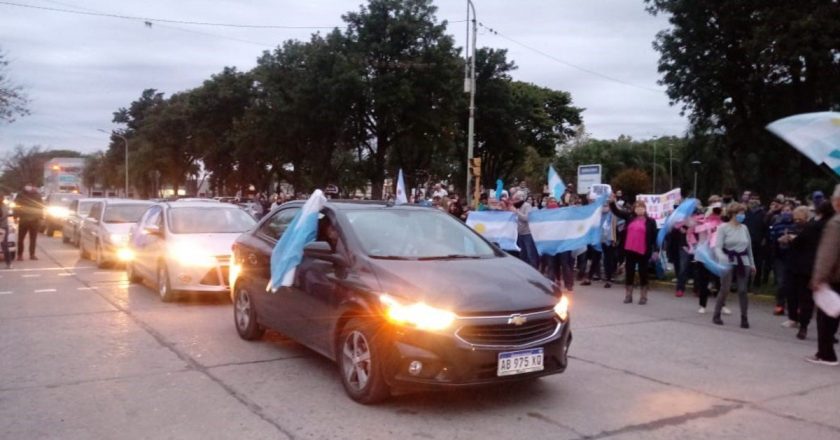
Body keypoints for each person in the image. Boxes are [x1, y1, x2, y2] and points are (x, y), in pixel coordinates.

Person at [786, 202, 834, 340]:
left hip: (806, 267)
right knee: (825, 299)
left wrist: (790, 240)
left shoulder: (812, 227)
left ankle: (803, 327)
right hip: (828, 269)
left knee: (806, 299)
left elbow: (798, 242)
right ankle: (828, 332)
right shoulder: (833, 228)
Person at [806, 184, 840, 366]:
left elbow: (828, 253)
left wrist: (818, 277)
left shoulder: (836, 223)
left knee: (827, 315)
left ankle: (826, 354)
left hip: (835, 276)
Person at [712, 203, 755, 328]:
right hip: (728, 261)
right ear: (733, 214)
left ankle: (744, 318)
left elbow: (749, 248)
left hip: (743, 261)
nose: (743, 215)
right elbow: (718, 247)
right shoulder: (723, 228)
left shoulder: (744, 228)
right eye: (740, 213)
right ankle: (717, 314)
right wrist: (722, 259)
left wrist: (752, 264)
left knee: (743, 290)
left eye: (743, 213)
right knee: (725, 289)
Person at [610, 195, 657, 305]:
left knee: (643, 273)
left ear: (645, 209)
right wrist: (612, 202)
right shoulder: (629, 217)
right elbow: (617, 212)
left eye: (641, 207)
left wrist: (655, 250)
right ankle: (628, 295)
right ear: (634, 209)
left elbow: (654, 237)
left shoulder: (650, 221)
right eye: (637, 207)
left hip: (643, 251)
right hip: (629, 250)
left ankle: (643, 296)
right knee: (629, 273)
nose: (639, 209)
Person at [779, 206, 812, 329]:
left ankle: (803, 319)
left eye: (800, 218)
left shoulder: (810, 229)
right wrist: (784, 241)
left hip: (805, 266)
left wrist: (796, 240)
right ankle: (792, 318)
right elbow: (785, 247)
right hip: (791, 263)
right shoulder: (792, 228)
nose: (797, 221)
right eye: (795, 218)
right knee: (790, 292)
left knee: (803, 294)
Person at [769, 202, 797, 315]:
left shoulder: (795, 226)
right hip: (779, 257)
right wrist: (778, 239)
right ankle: (780, 305)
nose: (786, 212)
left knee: (791, 283)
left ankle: (793, 307)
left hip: (792, 258)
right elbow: (771, 238)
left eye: (789, 210)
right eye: (784, 210)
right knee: (781, 282)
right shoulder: (776, 225)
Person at [14, 184, 43, 261]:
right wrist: (15, 216)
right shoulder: (22, 195)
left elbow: (41, 206)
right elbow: (16, 206)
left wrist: (41, 217)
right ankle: (22, 255)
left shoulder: (36, 195)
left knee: (30, 239)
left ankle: (30, 255)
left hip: (32, 220)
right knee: (22, 239)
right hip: (25, 219)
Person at [511, 191, 538, 269]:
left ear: (520, 199)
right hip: (519, 234)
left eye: (516, 199)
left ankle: (534, 271)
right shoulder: (515, 206)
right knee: (522, 255)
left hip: (527, 234)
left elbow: (526, 218)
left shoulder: (527, 206)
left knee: (530, 255)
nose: (514, 201)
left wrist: (516, 212)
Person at [1, 192, 12, 269]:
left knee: (4, 245)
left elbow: (3, 216)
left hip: (2, 228)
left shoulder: (4, 207)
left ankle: (8, 263)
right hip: (3, 227)